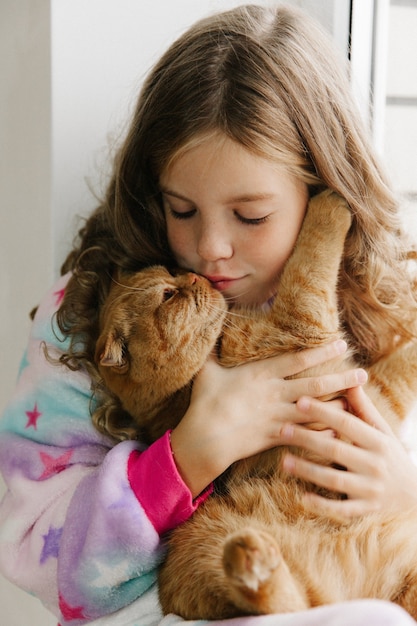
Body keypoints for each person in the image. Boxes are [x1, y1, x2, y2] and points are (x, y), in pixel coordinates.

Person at [1, 4, 417, 626]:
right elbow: (30, 542)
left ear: (323, 190)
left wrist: (406, 495)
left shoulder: (384, 311)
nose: (211, 248)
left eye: (250, 216)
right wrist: (190, 452)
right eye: (182, 209)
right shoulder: (94, 316)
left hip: (350, 580)